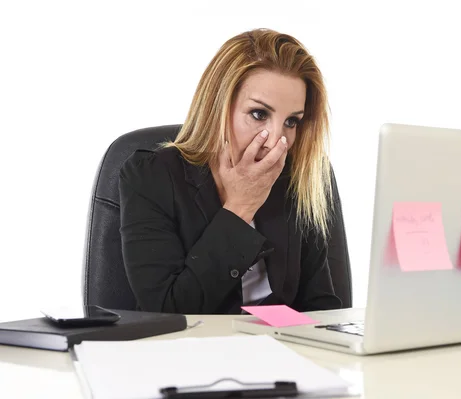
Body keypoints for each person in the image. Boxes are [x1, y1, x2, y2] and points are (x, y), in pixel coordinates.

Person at [118, 28, 348, 315]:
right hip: (187, 354)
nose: (277, 139)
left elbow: (320, 309)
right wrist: (241, 207)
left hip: (280, 353)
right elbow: (168, 310)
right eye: (259, 114)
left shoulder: (294, 178)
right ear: (219, 107)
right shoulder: (151, 177)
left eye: (291, 121)